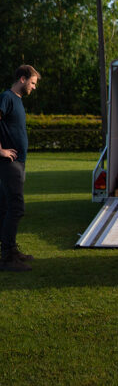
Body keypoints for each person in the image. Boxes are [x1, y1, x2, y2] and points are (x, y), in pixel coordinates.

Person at [0, 65, 40, 272]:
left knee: (5, 207)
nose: (34, 87)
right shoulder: (6, 97)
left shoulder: (18, 100)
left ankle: (11, 251)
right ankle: (7, 258)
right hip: (9, 164)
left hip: (18, 163)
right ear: (22, 79)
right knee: (17, 208)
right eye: (32, 83)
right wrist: (1, 150)